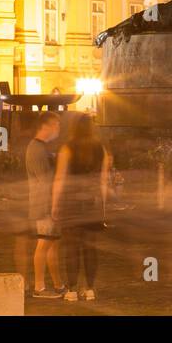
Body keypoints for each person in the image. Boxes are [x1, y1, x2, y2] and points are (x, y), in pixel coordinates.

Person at [51, 115, 110, 302]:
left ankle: (71, 289)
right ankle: (90, 289)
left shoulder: (67, 148)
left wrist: (55, 204)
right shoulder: (101, 149)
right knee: (90, 248)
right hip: (92, 202)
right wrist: (103, 206)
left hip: (71, 202)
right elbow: (103, 181)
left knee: (71, 247)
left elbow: (59, 178)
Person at [25, 112, 64, 298]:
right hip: (44, 204)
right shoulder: (36, 149)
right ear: (46, 126)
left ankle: (58, 285)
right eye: (56, 125)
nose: (58, 129)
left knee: (52, 245)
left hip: (47, 203)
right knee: (44, 244)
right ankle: (39, 288)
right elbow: (45, 180)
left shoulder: (40, 148)